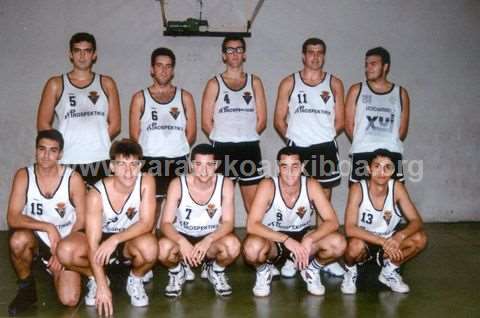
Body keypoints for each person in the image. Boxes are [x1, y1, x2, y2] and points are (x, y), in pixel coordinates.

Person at [274, 37, 346, 278]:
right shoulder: (289, 83)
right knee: (299, 205)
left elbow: (341, 121)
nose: (315, 57)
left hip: (324, 149)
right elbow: (278, 119)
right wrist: (295, 141)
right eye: (311, 52)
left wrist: (321, 138)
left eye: (320, 53)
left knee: (322, 206)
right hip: (298, 150)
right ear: (303, 56)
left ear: (323, 56)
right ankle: (295, 257)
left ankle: (321, 257)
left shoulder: (335, 83)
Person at [243, 147, 346, 297]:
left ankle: (312, 269)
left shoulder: (311, 185)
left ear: (302, 167)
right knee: (252, 249)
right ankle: (264, 271)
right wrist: (286, 239)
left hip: (303, 239)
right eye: (284, 166)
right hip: (274, 240)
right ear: (278, 167)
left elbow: (332, 222)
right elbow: (252, 225)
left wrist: (310, 238)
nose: (290, 172)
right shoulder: (268, 185)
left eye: (295, 166)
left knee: (338, 243)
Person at [6, 129, 86, 315]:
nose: (46, 155)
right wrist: (48, 227)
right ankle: (27, 289)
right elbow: (12, 217)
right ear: (35, 150)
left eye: (52, 150)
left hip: (66, 241)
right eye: (42, 149)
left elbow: (82, 220)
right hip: (38, 239)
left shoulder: (72, 178)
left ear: (60, 154)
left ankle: (72, 271)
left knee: (70, 299)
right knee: (18, 241)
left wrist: (62, 250)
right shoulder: (24, 176)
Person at [80, 139, 157, 316]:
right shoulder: (95, 194)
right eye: (122, 164)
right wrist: (101, 285)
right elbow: (93, 244)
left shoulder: (146, 182)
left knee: (150, 247)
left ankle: (135, 279)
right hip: (101, 242)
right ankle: (96, 278)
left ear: (140, 166)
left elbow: (146, 223)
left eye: (134, 164)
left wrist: (115, 240)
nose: (129, 171)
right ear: (112, 167)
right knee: (67, 251)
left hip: (128, 239)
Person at [37, 32, 121, 186]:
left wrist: (95, 141)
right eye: (77, 51)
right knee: (70, 208)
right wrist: (60, 147)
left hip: (100, 158)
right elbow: (43, 124)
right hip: (68, 158)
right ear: (70, 54)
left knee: (99, 208)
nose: (82, 56)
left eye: (87, 51)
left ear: (94, 55)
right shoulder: (55, 83)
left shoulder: (107, 83)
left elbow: (115, 125)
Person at [158, 144, 240, 297]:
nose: (204, 170)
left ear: (216, 165)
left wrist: (208, 240)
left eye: (209, 164)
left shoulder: (226, 184)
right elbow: (165, 223)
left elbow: (228, 222)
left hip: (211, 239)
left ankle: (215, 269)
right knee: (162, 249)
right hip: (183, 237)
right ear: (191, 165)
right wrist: (182, 241)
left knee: (233, 245)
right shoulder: (177, 184)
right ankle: (177, 271)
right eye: (198, 164)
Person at [341, 149, 427, 294]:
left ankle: (389, 272)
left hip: (389, 240)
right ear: (369, 169)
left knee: (420, 238)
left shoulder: (397, 188)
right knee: (353, 246)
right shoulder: (358, 188)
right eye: (377, 166)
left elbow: (416, 221)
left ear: (393, 170)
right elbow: (349, 228)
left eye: (388, 167)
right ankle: (350, 271)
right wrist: (382, 242)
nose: (382, 172)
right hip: (365, 241)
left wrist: (399, 237)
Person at [130, 47, 196, 229]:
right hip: (151, 161)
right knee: (151, 213)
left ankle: (176, 254)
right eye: (159, 65)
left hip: (179, 160)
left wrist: (175, 149)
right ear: (152, 69)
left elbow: (191, 133)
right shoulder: (139, 98)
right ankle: (149, 253)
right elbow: (134, 135)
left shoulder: (185, 97)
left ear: (173, 70)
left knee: (179, 211)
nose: (164, 70)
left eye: (168, 66)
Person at [201, 36, 267, 214]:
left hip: (249, 148)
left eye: (239, 49)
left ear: (244, 54)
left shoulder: (255, 82)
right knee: (221, 203)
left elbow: (262, 120)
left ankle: (257, 241)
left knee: (253, 204)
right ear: (224, 56)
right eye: (230, 50)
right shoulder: (214, 84)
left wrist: (245, 136)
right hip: (222, 149)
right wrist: (223, 138)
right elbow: (206, 122)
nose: (235, 53)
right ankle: (221, 241)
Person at [345, 47, 410, 183]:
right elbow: (349, 126)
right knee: (359, 200)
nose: (368, 68)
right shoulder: (356, 90)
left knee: (392, 200)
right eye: (366, 64)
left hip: (391, 153)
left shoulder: (400, 93)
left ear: (385, 66)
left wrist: (386, 143)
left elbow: (402, 130)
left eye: (373, 64)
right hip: (363, 152)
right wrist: (365, 141)